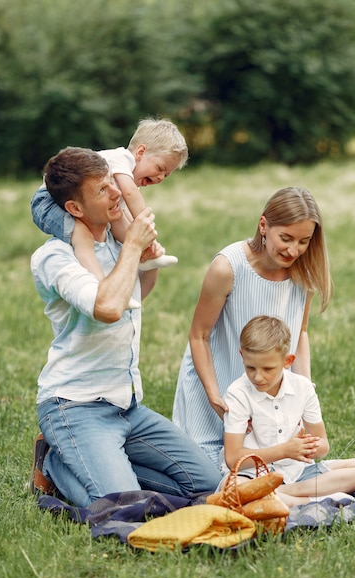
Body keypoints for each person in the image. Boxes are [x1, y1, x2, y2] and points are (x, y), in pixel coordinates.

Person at [29, 146, 221, 508]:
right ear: (74, 209)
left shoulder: (116, 244)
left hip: (127, 405)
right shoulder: (54, 257)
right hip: (76, 406)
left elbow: (137, 294)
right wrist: (133, 246)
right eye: (102, 190)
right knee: (125, 508)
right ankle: (55, 463)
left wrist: (144, 260)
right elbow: (108, 308)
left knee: (208, 486)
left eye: (112, 182)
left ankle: (100, 462)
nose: (118, 191)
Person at [173, 186, 333, 468]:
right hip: (218, 384)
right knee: (210, 476)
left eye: (304, 241)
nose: (294, 250)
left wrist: (304, 387)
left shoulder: (303, 272)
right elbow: (199, 336)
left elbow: (301, 333)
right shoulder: (228, 268)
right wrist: (214, 397)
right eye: (285, 238)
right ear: (263, 225)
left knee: (274, 467)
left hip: (268, 388)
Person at [220, 315, 355, 506]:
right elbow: (232, 458)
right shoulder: (237, 393)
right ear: (241, 355)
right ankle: (314, 500)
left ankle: (284, 494)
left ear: (288, 360)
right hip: (252, 474)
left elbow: (323, 445)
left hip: (298, 473)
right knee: (233, 488)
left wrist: (305, 447)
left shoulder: (302, 387)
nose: (258, 376)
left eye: (268, 368)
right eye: (250, 367)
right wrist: (285, 450)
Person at [31, 118, 188, 309]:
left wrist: (147, 244)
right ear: (140, 152)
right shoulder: (121, 160)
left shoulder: (126, 179)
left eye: (167, 174)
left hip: (71, 197)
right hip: (48, 200)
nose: (161, 177)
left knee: (122, 220)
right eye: (160, 168)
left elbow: (124, 217)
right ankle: (100, 288)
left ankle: (146, 257)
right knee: (81, 235)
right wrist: (145, 222)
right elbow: (130, 196)